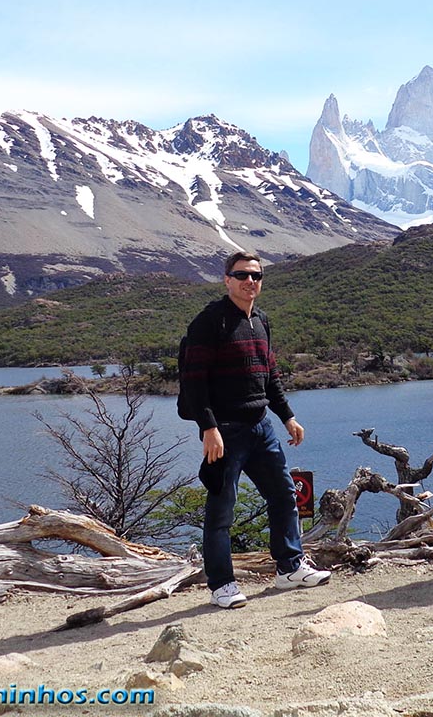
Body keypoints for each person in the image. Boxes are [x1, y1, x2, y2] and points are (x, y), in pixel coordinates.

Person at [178, 251, 330, 608]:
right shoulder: (209, 322)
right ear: (227, 279)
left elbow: (269, 376)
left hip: (261, 426)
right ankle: (222, 584)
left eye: (257, 276)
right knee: (221, 508)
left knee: (283, 495)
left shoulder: (260, 320)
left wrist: (288, 417)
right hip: (225, 431)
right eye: (242, 275)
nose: (250, 282)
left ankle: (290, 568)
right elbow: (193, 380)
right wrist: (208, 428)